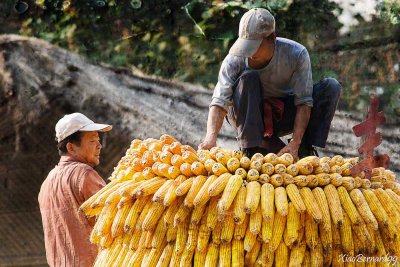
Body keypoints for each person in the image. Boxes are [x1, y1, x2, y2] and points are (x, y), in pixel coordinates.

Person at [199, 8, 341, 160]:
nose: (250, 54)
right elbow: (219, 102)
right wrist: (210, 138)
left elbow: (304, 102)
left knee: (330, 87)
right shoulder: (234, 59)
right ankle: (250, 148)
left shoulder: (296, 53)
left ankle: (304, 149)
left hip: (280, 115)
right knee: (248, 77)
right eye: (246, 46)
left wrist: (295, 142)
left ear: (272, 37)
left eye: (255, 47)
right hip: (245, 117)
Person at [38, 112, 112, 267]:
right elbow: (115, 220)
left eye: (98, 140)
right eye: (92, 140)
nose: (99, 145)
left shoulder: (47, 183)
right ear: (71, 148)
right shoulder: (85, 175)